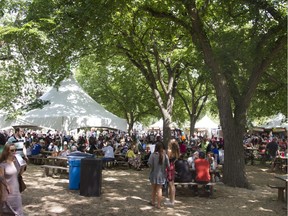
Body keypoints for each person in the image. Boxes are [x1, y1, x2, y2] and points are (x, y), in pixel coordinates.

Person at [0, 143, 24, 215]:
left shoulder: (16, 162)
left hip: (16, 190)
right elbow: (1, 177)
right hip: (7, 190)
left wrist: (22, 165)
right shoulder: (2, 164)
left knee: (18, 211)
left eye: (15, 150)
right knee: (7, 211)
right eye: (12, 150)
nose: (14, 152)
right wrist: (6, 185)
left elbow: (19, 174)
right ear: (7, 151)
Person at [148, 142, 169, 209]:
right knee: (159, 190)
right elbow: (168, 165)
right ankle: (159, 204)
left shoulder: (153, 155)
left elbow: (149, 164)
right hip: (162, 175)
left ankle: (153, 201)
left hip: (153, 174)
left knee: (153, 189)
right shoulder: (165, 155)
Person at [165, 139, 180, 207]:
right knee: (172, 184)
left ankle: (172, 201)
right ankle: (171, 199)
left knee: (171, 184)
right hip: (172, 167)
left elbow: (167, 159)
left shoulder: (169, 151)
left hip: (169, 167)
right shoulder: (177, 152)